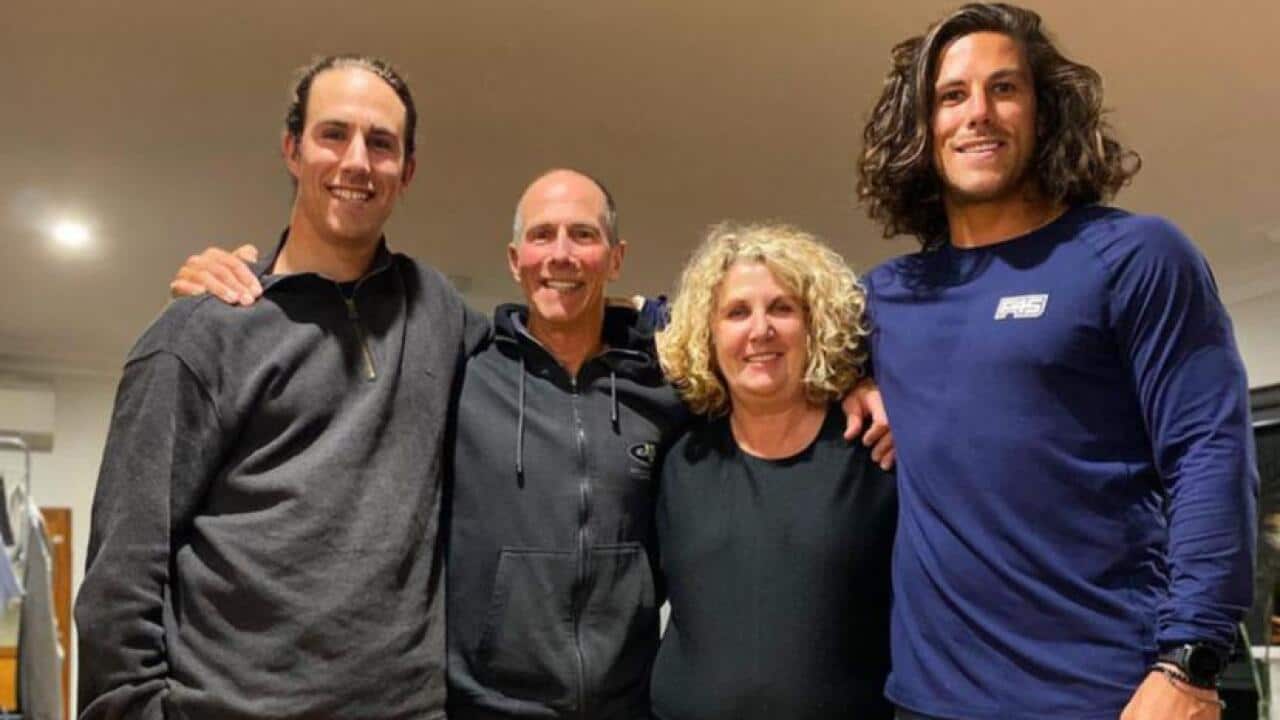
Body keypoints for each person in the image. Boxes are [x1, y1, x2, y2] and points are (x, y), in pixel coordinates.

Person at [855, 4, 1258, 719]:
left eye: (1004, 89)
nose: (977, 112)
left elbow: (1210, 453)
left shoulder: (1136, 257)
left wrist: (1190, 660)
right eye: (951, 96)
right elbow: (733, 327)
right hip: (927, 702)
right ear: (922, 128)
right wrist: (855, 381)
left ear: (1046, 111)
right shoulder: (888, 297)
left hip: (1110, 695)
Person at [75, 55, 484, 720]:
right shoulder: (199, 335)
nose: (356, 162)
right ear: (293, 150)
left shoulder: (436, 311)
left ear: (405, 172)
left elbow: (550, 346)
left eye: (381, 144)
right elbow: (119, 580)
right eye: (334, 134)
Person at [651, 222, 897, 720]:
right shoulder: (678, 459)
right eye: (737, 312)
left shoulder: (874, 451)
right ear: (708, 334)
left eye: (782, 309)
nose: (760, 330)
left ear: (815, 325)